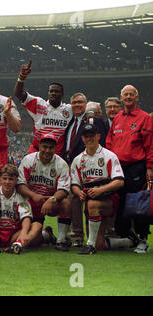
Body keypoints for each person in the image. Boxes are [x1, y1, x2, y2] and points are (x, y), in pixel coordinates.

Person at [70, 123, 135, 254]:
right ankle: (129, 241)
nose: (89, 139)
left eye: (92, 136)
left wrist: (101, 190)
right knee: (100, 244)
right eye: (86, 136)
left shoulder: (109, 156)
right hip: (90, 201)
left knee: (93, 205)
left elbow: (119, 181)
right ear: (82, 138)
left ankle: (89, 246)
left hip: (109, 199)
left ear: (98, 136)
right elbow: (74, 184)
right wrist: (79, 193)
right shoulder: (78, 160)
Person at [106, 84, 153, 254]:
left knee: (139, 204)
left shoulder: (145, 118)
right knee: (121, 204)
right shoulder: (117, 118)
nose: (128, 97)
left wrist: (150, 168)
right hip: (118, 170)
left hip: (136, 168)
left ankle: (143, 239)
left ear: (136, 97)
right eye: (125, 94)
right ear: (121, 97)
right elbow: (109, 142)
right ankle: (130, 237)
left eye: (131, 94)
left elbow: (150, 145)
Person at [62, 93, 107, 247]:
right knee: (74, 199)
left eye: (80, 102)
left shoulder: (94, 121)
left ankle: (96, 234)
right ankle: (77, 235)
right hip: (71, 166)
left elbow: (102, 142)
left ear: (86, 104)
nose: (77, 105)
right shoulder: (71, 122)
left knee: (90, 200)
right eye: (74, 102)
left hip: (89, 166)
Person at [17, 133, 72, 251]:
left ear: (55, 149)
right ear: (39, 146)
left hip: (50, 203)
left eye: (51, 148)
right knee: (35, 242)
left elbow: (64, 190)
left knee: (66, 203)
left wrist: (52, 200)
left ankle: (61, 240)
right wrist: (33, 195)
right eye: (45, 147)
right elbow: (20, 185)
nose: (47, 150)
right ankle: (47, 234)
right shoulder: (28, 160)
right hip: (30, 202)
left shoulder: (61, 164)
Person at [14, 59, 73, 155]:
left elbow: (84, 109)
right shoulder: (39, 104)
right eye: (51, 91)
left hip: (57, 154)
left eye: (56, 91)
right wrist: (22, 76)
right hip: (37, 151)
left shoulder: (69, 110)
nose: (53, 93)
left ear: (62, 95)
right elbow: (19, 94)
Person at [0, 164, 33, 254]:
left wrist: (23, 233)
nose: (7, 182)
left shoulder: (20, 197)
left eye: (11, 179)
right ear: (1, 179)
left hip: (14, 234)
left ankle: (18, 244)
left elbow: (26, 218)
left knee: (36, 226)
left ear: (16, 180)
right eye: (5, 178)